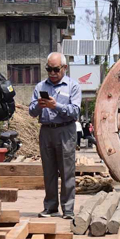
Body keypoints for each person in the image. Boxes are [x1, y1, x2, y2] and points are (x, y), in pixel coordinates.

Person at [29, 52, 81, 218]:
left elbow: (75, 111)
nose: (52, 73)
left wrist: (55, 106)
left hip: (66, 130)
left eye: (56, 70)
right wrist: (39, 105)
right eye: (49, 69)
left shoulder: (73, 86)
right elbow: (31, 111)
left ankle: (68, 209)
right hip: (46, 131)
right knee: (49, 170)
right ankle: (50, 207)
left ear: (64, 68)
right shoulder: (40, 87)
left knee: (67, 170)